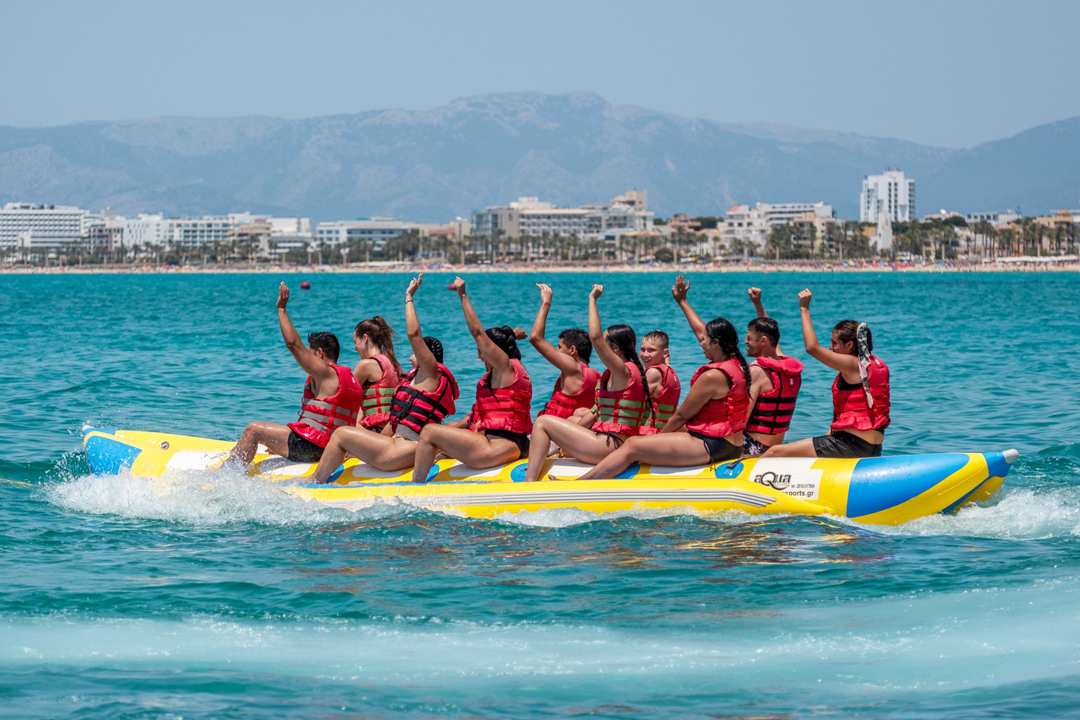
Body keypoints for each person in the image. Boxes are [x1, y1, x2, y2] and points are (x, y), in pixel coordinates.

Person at [572, 285, 751, 480]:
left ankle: (582, 483)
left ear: (716, 344)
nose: (701, 343)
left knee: (632, 445)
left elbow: (681, 415)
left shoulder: (712, 376)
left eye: (705, 341)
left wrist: (658, 441)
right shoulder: (736, 365)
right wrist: (682, 302)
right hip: (733, 444)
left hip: (712, 445)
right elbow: (702, 332)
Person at [310, 275, 459, 483]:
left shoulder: (431, 374)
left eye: (416, 353)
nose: (410, 356)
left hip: (404, 448)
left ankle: (312, 482)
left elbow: (414, 334)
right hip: (399, 444)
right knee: (350, 435)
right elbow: (395, 420)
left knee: (341, 434)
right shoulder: (408, 377)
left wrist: (409, 298)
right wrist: (372, 443)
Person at [411, 277, 533, 483]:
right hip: (514, 443)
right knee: (446, 429)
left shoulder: (505, 368)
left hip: (498, 446)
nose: (479, 356)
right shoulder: (510, 371)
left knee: (429, 431)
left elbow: (478, 333)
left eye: (481, 352)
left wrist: (463, 295)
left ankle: (415, 488)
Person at [227, 282, 363, 466]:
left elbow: (293, 344)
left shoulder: (325, 373)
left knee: (253, 430)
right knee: (273, 434)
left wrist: (281, 309)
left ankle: (225, 474)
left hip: (312, 446)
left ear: (320, 354)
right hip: (334, 449)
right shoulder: (352, 380)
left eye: (310, 353)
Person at [523, 284, 648, 482]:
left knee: (542, 422)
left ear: (616, 350)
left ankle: (529, 484)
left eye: (606, 345)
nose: (602, 349)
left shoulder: (624, 371)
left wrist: (592, 300)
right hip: (609, 441)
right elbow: (596, 413)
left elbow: (596, 337)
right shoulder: (620, 374)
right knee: (575, 418)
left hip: (608, 445)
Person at [763, 289, 889, 458]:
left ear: (850, 345)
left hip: (850, 446)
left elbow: (812, 348)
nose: (830, 347)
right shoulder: (875, 365)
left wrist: (804, 309)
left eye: (834, 343)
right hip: (872, 448)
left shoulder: (854, 365)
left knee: (774, 452)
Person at [741, 286, 803, 456]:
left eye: (749, 338)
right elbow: (769, 335)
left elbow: (742, 419)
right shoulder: (787, 367)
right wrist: (758, 304)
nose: (745, 341)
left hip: (751, 446)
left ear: (762, 341)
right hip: (774, 446)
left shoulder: (757, 371)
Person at [528, 283, 601, 424]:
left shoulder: (573, 368)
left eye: (559, 347)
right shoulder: (595, 376)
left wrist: (546, 303)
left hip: (557, 434)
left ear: (572, 350)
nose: (556, 351)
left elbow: (536, 338)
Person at [352, 316, 403, 432]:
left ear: (365, 338)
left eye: (355, 342)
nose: (355, 348)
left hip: (375, 430)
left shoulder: (366, 365)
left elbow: (344, 398)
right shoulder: (396, 364)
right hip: (394, 429)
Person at [636, 330, 681, 434]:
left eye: (651, 350)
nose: (645, 354)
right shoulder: (670, 371)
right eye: (642, 349)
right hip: (662, 431)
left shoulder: (653, 373)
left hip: (648, 433)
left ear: (665, 353)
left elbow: (634, 401)